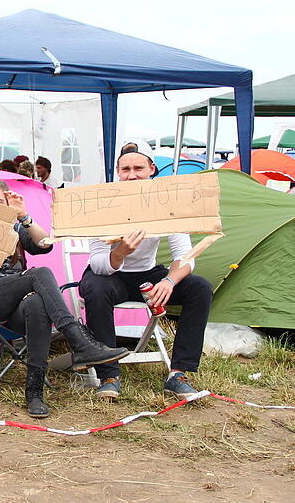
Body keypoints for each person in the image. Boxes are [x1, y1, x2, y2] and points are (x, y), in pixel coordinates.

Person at [0, 178, 129, 418]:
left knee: (36, 303)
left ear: (6, 204)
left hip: (15, 307)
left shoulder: (16, 231)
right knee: (39, 274)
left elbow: (44, 245)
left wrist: (24, 216)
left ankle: (35, 391)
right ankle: (78, 341)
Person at [80, 147, 212, 401]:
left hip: (149, 274)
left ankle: (179, 373)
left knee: (199, 288)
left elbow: (184, 255)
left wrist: (170, 280)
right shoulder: (101, 207)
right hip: (110, 274)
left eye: (138, 169)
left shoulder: (165, 203)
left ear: (151, 170)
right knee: (96, 289)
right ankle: (108, 374)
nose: (132, 176)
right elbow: (98, 263)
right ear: (117, 173)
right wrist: (120, 252)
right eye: (125, 170)